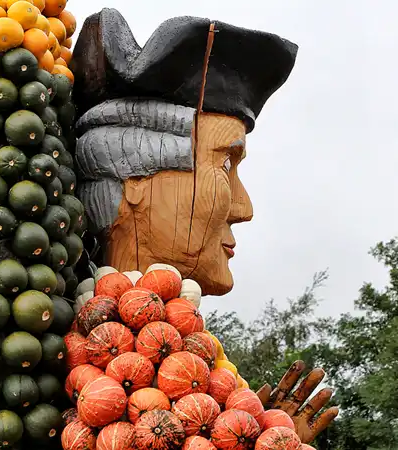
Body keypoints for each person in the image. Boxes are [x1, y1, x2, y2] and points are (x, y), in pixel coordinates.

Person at [70, 8, 338, 443]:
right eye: (225, 163)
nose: (244, 207)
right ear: (134, 186)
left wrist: (267, 435)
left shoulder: (201, 368)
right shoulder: (67, 375)